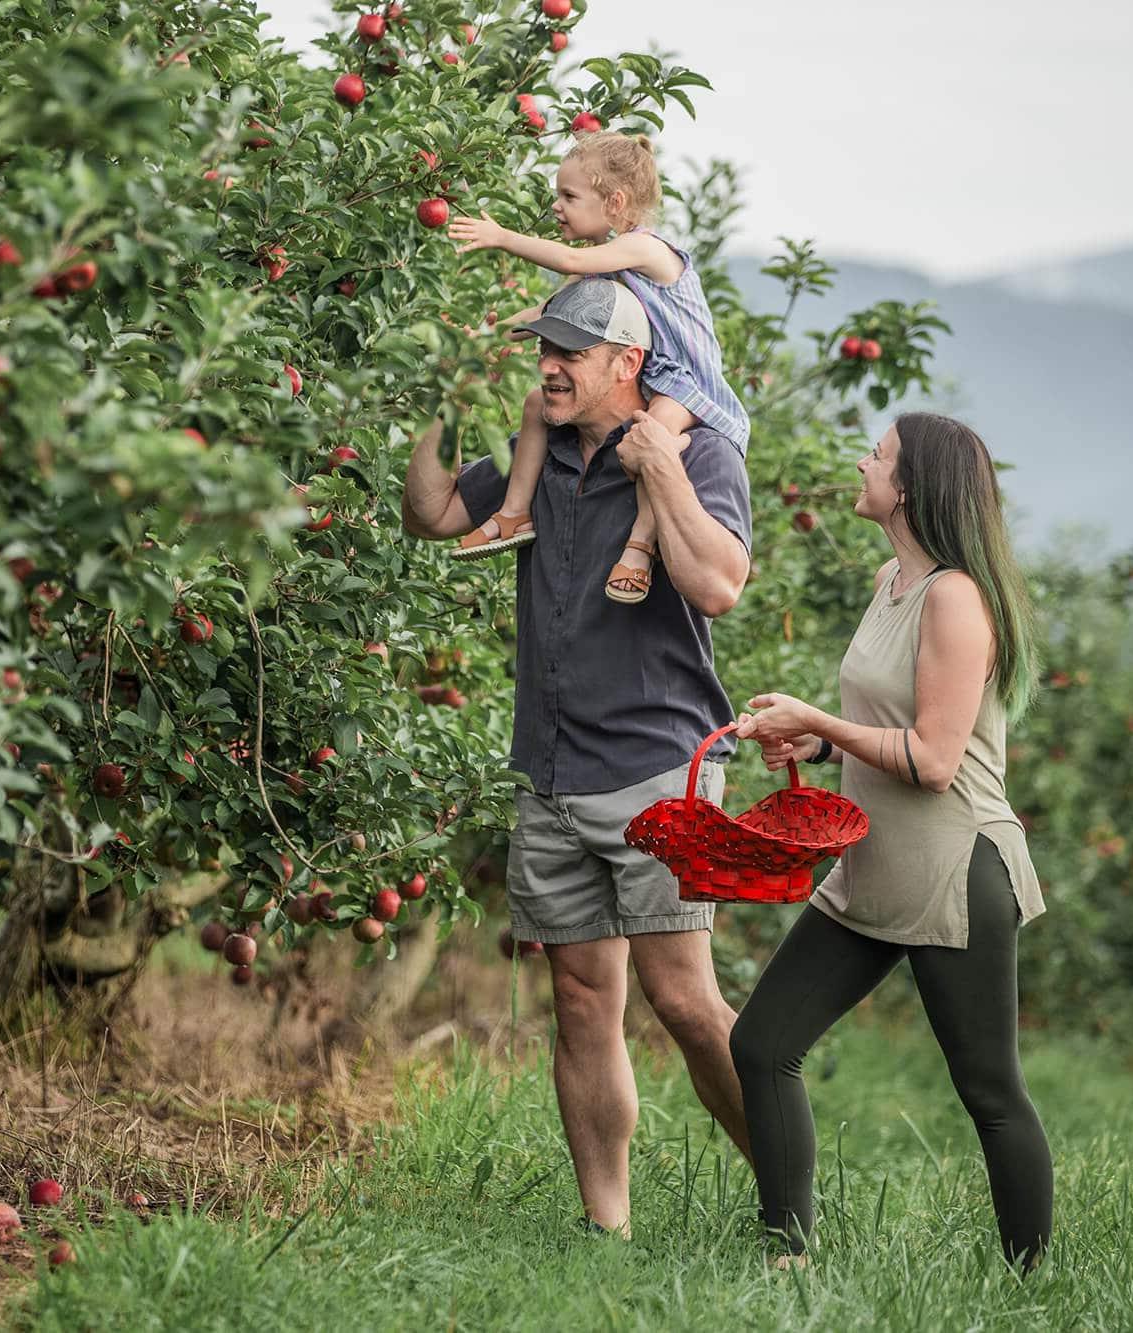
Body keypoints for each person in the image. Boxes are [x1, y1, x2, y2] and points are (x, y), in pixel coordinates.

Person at [401, 277, 755, 1237]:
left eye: (570, 353)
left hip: (659, 762)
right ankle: (608, 1230)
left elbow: (720, 584)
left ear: (628, 364)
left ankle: (785, 1187)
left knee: (683, 996)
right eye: (543, 350)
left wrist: (660, 472)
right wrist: (432, 398)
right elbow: (430, 514)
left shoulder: (699, 451)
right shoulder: (540, 454)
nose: (549, 368)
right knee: (580, 997)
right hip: (552, 766)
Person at [731, 412, 1053, 1272]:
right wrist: (820, 743)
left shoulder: (955, 596)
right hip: (873, 863)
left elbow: (936, 759)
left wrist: (816, 716)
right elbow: (890, 724)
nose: (863, 461)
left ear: (908, 488)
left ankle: (1029, 1283)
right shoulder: (893, 579)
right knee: (762, 1044)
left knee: (988, 1090)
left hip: (954, 868)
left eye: (878, 454)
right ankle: (786, 1258)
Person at [445, 131, 750, 605]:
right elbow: (545, 310)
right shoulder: (599, 268)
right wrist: (482, 340)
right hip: (647, 375)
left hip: (687, 383)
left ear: (615, 201)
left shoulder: (646, 249)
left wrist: (502, 238)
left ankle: (639, 547)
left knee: (652, 442)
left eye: (569, 196)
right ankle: (513, 513)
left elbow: (568, 256)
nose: (557, 207)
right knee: (533, 406)